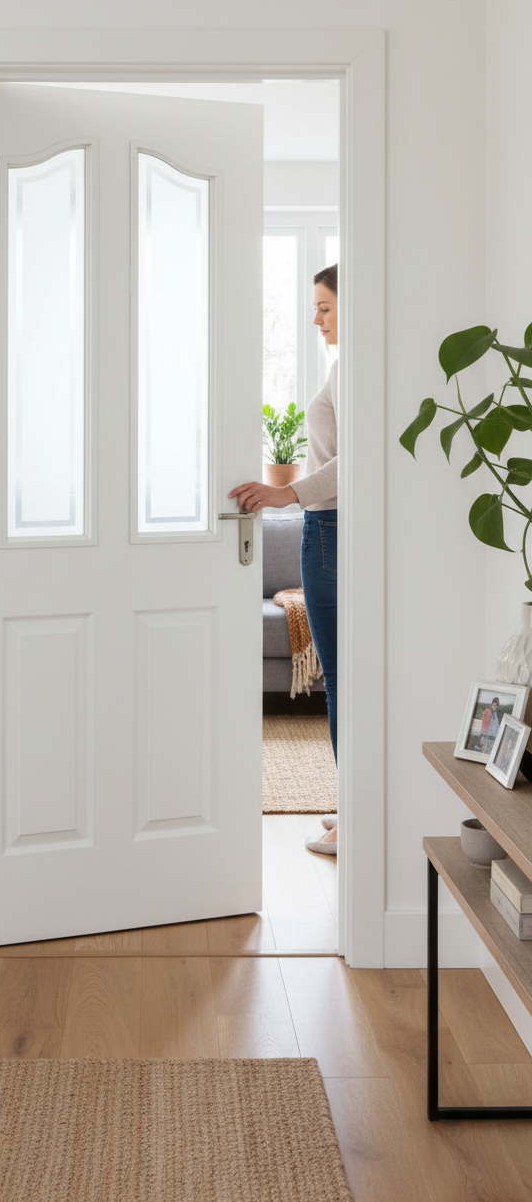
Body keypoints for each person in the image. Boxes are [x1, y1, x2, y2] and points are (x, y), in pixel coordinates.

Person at [229, 264, 339, 857]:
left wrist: (283, 493)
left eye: (324, 306)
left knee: (345, 683)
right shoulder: (345, 367)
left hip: (330, 531)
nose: (315, 318)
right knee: (343, 682)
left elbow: (355, 462)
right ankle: (354, 807)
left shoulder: (355, 368)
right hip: (326, 530)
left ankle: (357, 822)